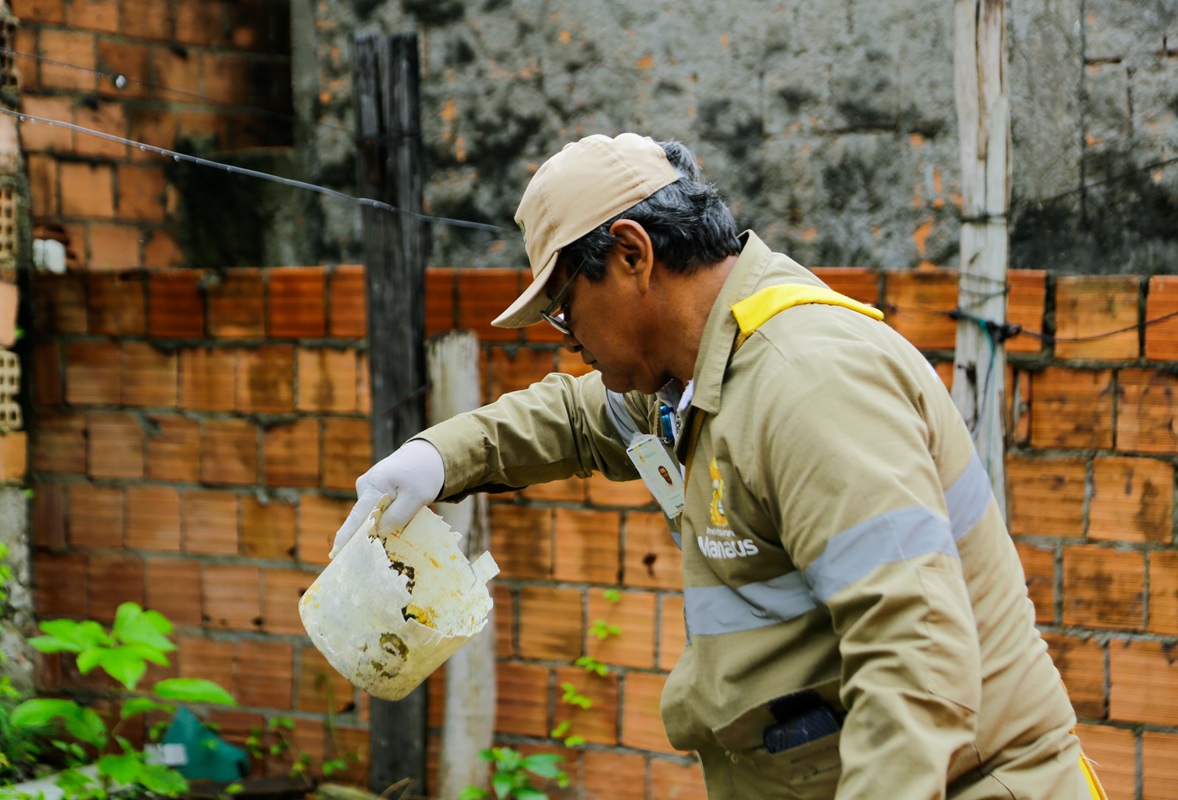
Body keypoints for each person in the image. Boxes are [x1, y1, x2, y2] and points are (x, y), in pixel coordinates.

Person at [331, 134, 1106, 799]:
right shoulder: (701, 375)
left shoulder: (806, 385)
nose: (565, 337)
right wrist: (434, 460)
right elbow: (576, 416)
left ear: (633, 254)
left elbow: (917, 661)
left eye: (565, 306)